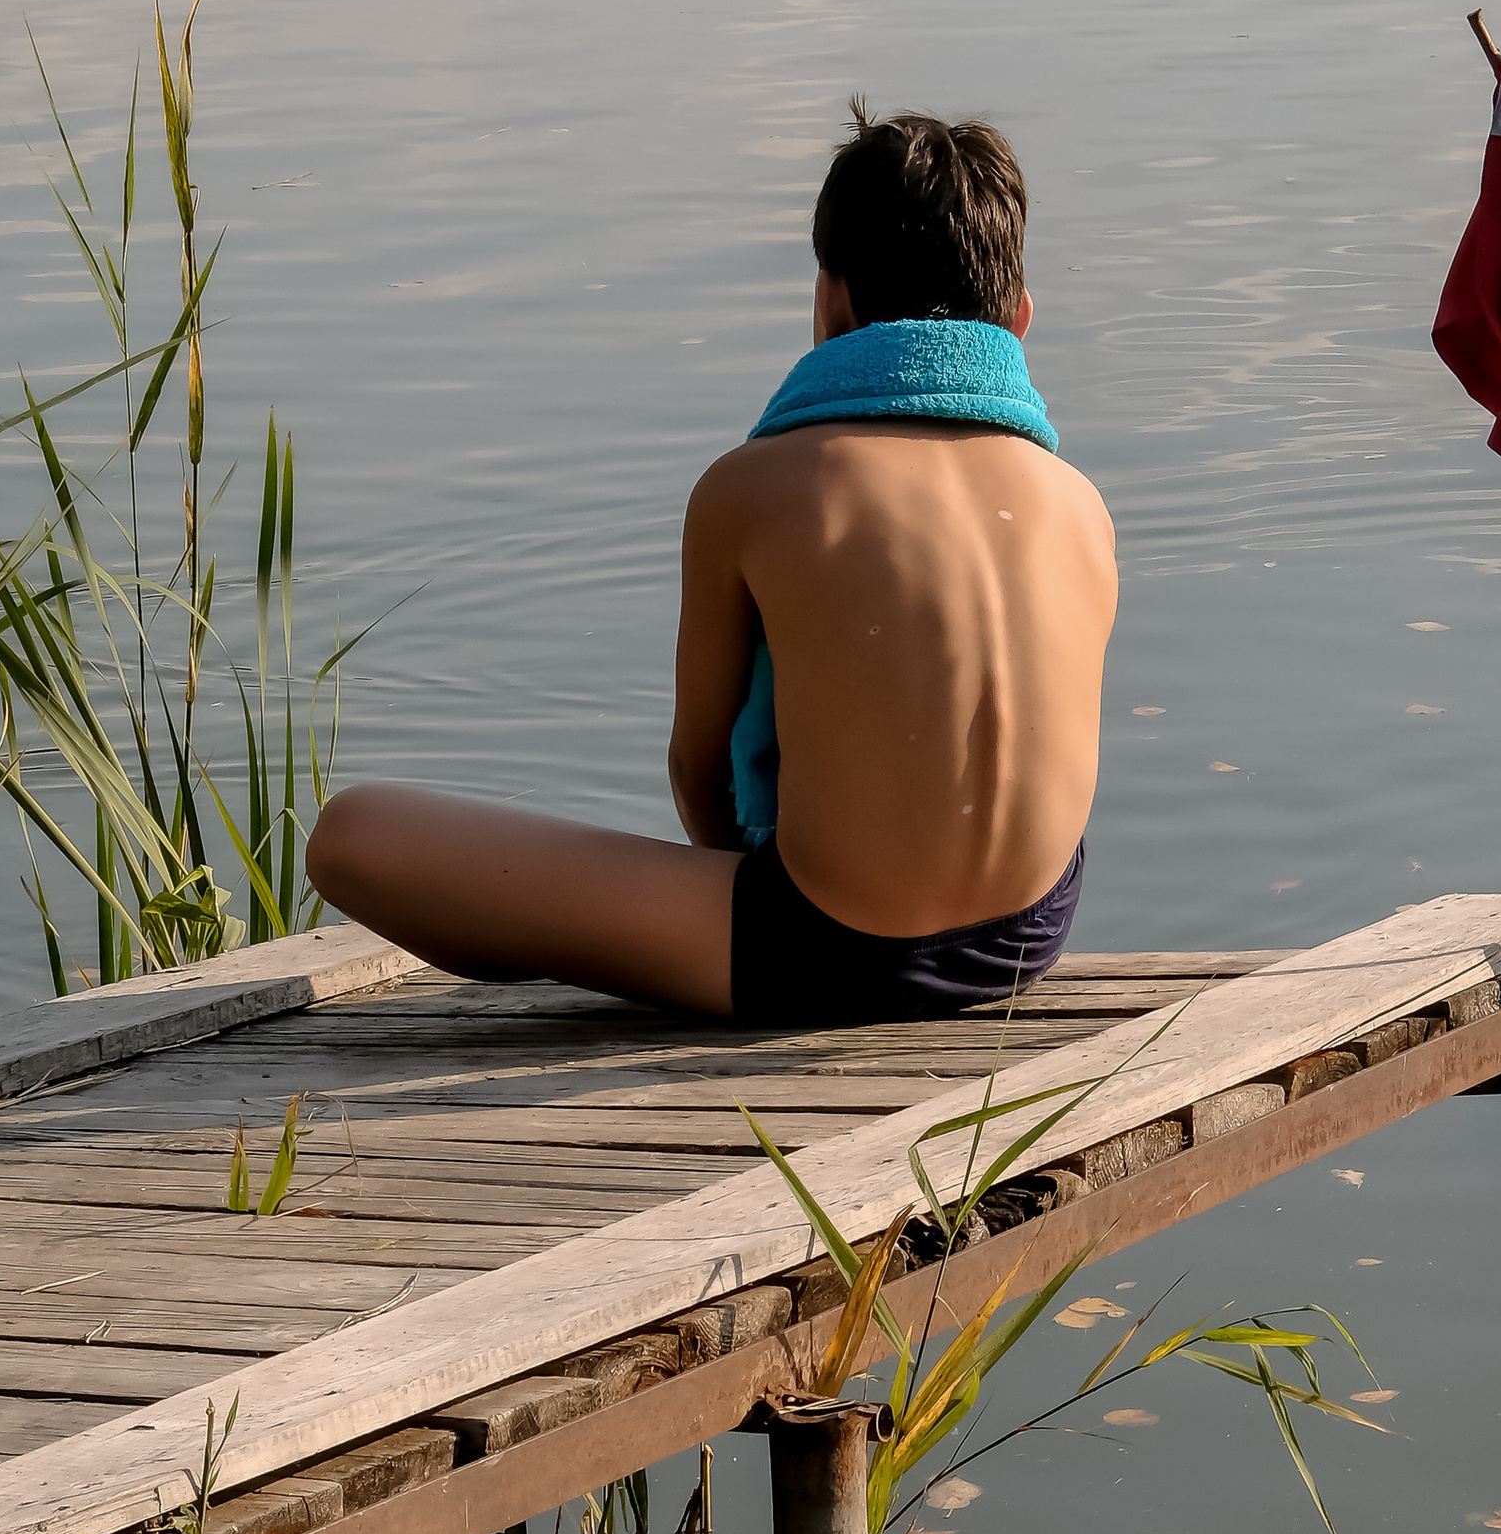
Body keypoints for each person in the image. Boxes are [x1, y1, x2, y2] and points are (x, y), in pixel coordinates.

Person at [305, 105, 1117, 1026]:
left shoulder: (759, 487)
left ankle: (586, 939)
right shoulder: (1077, 502)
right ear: (1018, 318)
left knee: (352, 837)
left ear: (828, 303)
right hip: (1024, 941)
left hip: (820, 955)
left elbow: (701, 772)